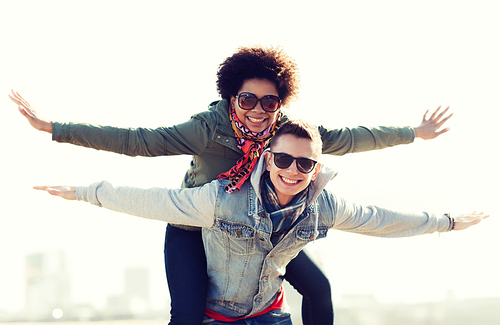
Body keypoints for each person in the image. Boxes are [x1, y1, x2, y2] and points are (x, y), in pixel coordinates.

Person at [10, 45, 452, 325]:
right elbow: (136, 141)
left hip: (257, 225)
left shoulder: (288, 135)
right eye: (247, 100)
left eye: (269, 102)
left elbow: (352, 138)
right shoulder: (207, 128)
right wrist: (53, 127)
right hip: (196, 223)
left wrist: (415, 132)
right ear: (230, 98)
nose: (259, 111)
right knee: (186, 314)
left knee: (318, 288)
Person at [35, 119, 487, 324]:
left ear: (316, 167)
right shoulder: (221, 198)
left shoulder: (321, 206)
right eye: (284, 160)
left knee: (319, 287)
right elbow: (153, 198)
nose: (293, 170)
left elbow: (380, 219)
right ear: (266, 158)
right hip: (214, 315)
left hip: (269, 317)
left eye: (304, 165)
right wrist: (85, 192)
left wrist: (447, 221)